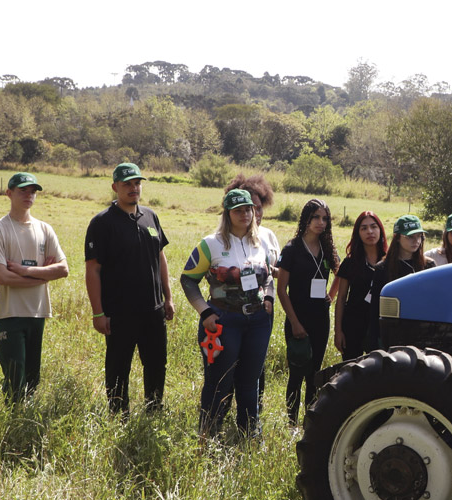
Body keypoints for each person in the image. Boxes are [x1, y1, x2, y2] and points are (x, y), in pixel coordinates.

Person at [182, 189, 279, 437]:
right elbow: (188, 280)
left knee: (250, 380)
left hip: (257, 321)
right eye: (238, 210)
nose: (245, 214)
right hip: (223, 322)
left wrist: (269, 297)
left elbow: (268, 278)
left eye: (248, 209)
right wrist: (205, 313)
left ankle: (249, 434)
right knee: (220, 381)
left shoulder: (262, 242)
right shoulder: (210, 244)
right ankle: (209, 433)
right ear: (227, 214)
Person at [85, 163, 174, 416]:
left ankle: (154, 412)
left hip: (153, 311)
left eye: (137, 183)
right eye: (127, 184)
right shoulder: (102, 223)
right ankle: (118, 416)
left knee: (157, 364)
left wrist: (168, 297)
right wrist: (98, 313)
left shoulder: (150, 216)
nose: (133, 189)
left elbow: (160, 257)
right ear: (115, 187)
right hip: (120, 313)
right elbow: (93, 269)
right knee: (118, 368)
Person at [0, 172, 68, 403]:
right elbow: (2, 277)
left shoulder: (44, 229)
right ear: (9, 193)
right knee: (14, 377)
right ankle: (12, 422)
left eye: (32, 191)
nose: (29, 195)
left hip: (38, 312)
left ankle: (25, 425)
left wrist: (26, 271)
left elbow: (63, 269)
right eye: (23, 190)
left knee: (33, 377)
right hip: (11, 313)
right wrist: (44, 276)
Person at [275, 199, 338, 426]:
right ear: (306, 219)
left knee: (315, 374)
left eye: (325, 219)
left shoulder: (328, 248)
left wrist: (332, 294)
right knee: (296, 373)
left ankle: (309, 422)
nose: (320, 223)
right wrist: (294, 322)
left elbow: (341, 272)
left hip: (320, 319)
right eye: (316, 217)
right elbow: (281, 290)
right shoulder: (292, 249)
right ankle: (291, 423)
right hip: (297, 318)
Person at [366, 215, 435, 351]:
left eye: (419, 236)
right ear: (397, 238)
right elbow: (375, 308)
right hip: (392, 333)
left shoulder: (429, 266)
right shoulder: (382, 268)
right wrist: (373, 340)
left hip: (421, 333)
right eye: (410, 237)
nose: (416, 241)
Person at [333, 211, 386, 361]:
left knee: (378, 372)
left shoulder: (389, 261)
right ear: (358, 233)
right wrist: (338, 331)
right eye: (364, 228)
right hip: (353, 325)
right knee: (350, 371)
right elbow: (341, 298)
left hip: (378, 326)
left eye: (373, 227)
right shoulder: (350, 262)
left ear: (380, 230)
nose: (369, 231)